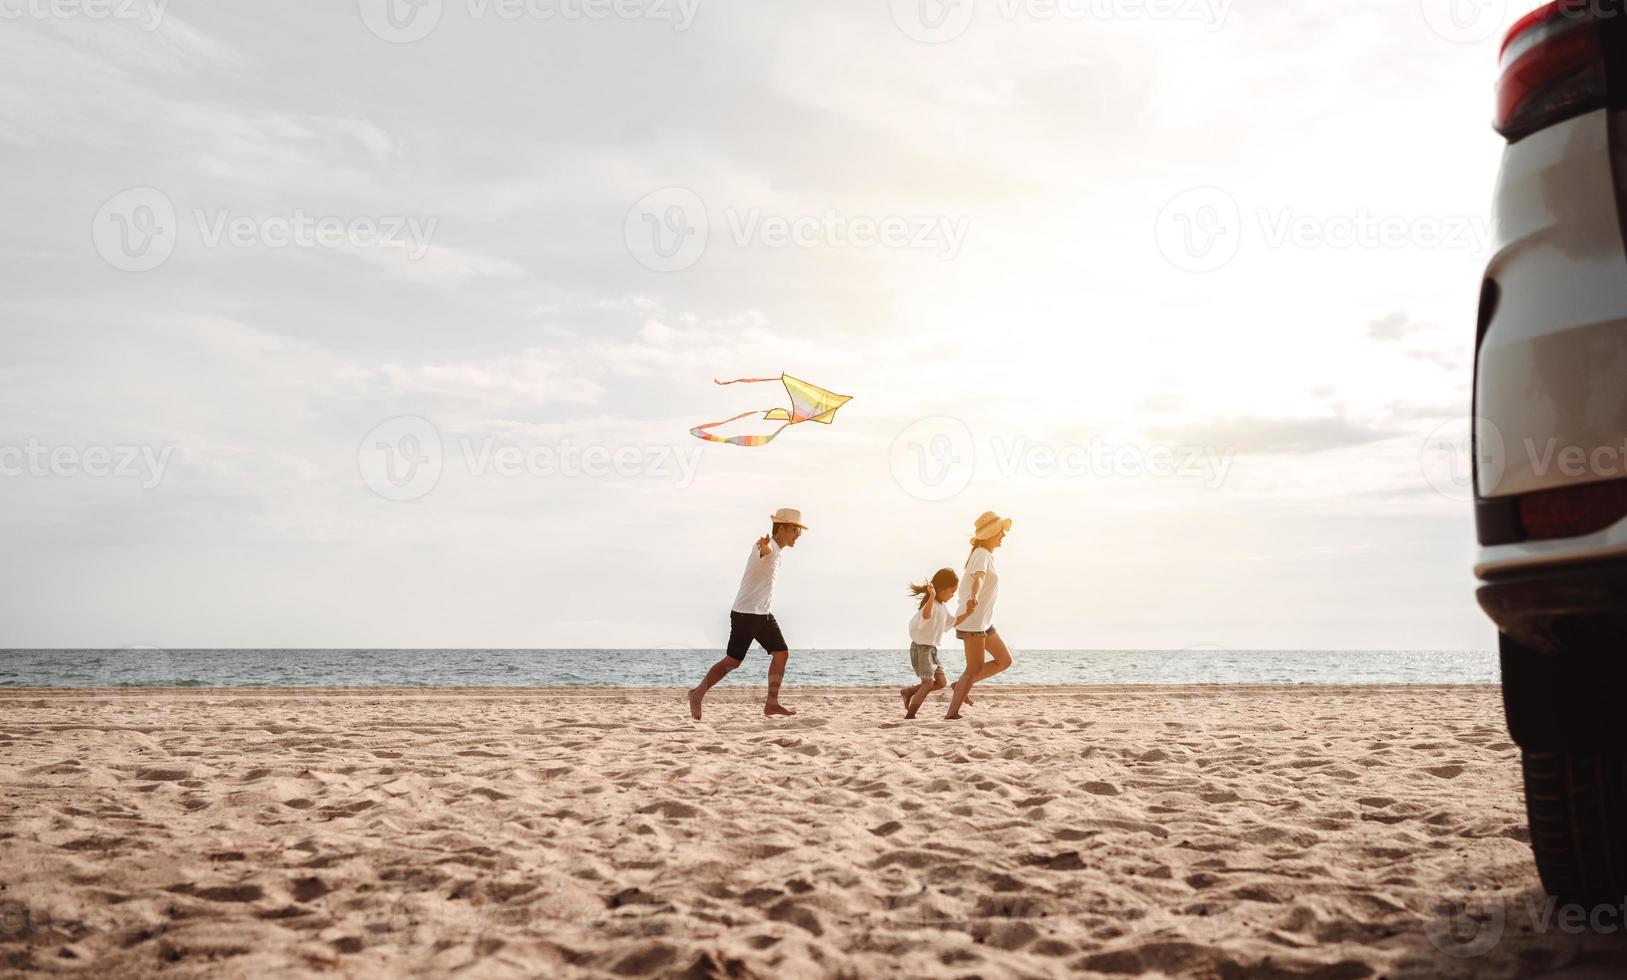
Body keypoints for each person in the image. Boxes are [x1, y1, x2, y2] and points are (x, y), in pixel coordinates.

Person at [688, 508, 807, 720]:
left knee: (781, 654)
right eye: (795, 530)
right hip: (745, 614)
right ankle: (697, 694)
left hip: (762, 614)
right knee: (732, 662)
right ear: (781, 528)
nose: (798, 535)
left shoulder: (778, 553)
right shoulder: (765, 548)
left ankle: (771, 704)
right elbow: (765, 550)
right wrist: (764, 545)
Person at [945, 511, 1014, 720]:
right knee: (973, 667)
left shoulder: (986, 555)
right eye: (1001, 531)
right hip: (973, 620)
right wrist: (973, 596)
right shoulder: (981, 554)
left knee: (1004, 660)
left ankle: (962, 684)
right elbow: (979, 578)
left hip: (983, 622)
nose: (1003, 534)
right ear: (992, 533)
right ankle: (952, 713)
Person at [901, 568, 977, 719]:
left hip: (932, 650)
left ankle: (909, 692)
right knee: (928, 683)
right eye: (951, 591)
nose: (953, 595)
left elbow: (953, 622)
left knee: (941, 682)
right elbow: (926, 615)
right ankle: (910, 715)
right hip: (921, 649)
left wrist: (968, 613)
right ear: (941, 589)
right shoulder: (931, 604)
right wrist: (931, 596)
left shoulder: (942, 607)